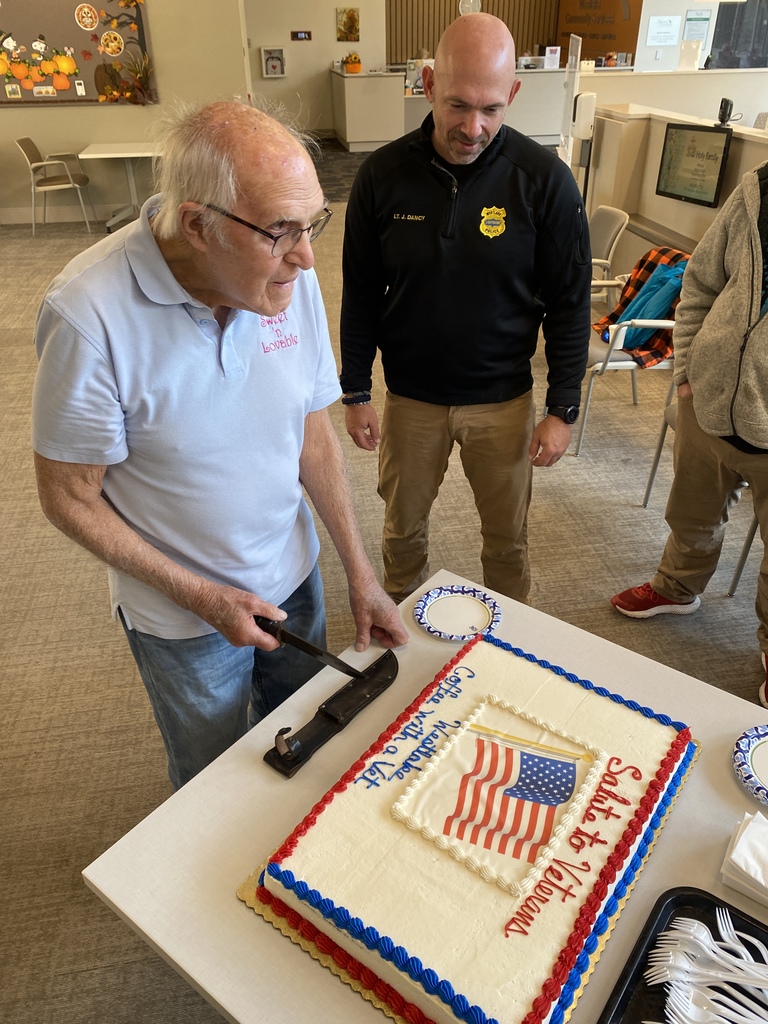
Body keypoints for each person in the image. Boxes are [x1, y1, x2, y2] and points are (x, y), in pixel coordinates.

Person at [32, 100, 408, 789]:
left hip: (292, 578)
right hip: (182, 618)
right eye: (280, 231)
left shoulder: (287, 278)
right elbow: (68, 498)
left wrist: (359, 572)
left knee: (308, 742)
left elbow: (309, 432)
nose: (306, 254)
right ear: (198, 226)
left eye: (313, 223)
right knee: (212, 779)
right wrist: (202, 597)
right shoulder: (87, 314)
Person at [339, 13, 592, 604]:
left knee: (506, 543)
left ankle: (511, 642)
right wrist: (354, 391)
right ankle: (400, 638)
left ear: (514, 94)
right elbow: (360, 292)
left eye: (491, 109)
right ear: (427, 83)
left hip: (502, 402)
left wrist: (563, 408)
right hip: (411, 400)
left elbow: (569, 303)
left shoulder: (545, 181)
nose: (472, 127)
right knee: (402, 537)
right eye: (457, 105)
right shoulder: (382, 176)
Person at [610, 160, 768, 707]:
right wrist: (685, 373)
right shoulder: (757, 189)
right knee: (692, 511)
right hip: (710, 403)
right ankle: (678, 587)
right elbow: (701, 280)